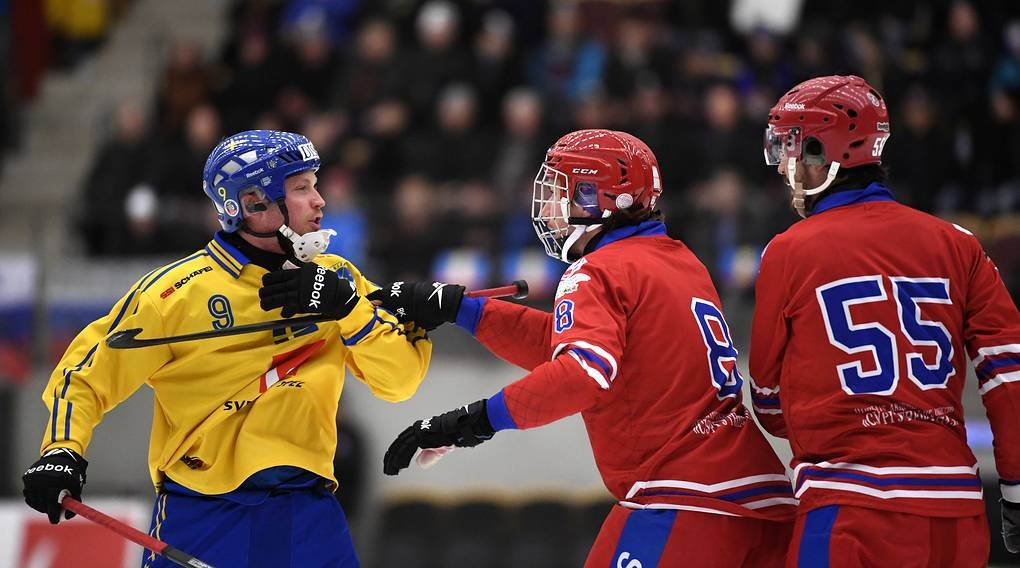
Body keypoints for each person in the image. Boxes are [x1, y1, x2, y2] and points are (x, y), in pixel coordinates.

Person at [374, 129, 795, 567]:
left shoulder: (597, 270)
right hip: (759, 496)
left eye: (562, 191)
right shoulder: (679, 260)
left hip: (684, 500)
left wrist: (470, 422)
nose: (550, 207)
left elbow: (580, 374)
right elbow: (571, 348)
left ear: (600, 199)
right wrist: (461, 309)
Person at [21, 130, 432, 567]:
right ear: (254, 203)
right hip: (202, 516)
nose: (319, 200)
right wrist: (62, 451)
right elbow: (85, 374)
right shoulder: (173, 295)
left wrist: (349, 309)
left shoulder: (337, 278)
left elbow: (400, 381)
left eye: (315, 184)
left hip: (307, 515)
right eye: (301, 188)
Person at [749, 75, 1020, 566]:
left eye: (795, 150)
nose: (788, 168)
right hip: (955, 517)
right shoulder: (958, 244)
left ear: (827, 153)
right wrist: (1017, 488)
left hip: (848, 512)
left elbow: (768, 403)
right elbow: (1009, 375)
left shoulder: (788, 252)